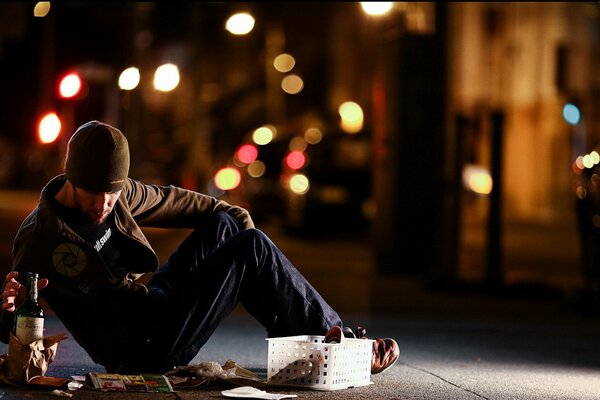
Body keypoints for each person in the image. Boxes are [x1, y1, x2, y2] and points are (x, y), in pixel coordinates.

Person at [0, 120, 398, 374]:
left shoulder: (119, 196)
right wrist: (6, 308)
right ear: (70, 179)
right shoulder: (39, 239)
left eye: (112, 193)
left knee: (226, 223)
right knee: (252, 249)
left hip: (153, 306)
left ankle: (310, 341)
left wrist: (237, 219)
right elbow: (11, 329)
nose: (103, 204)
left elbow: (177, 201)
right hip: (137, 348)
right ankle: (343, 344)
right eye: (92, 194)